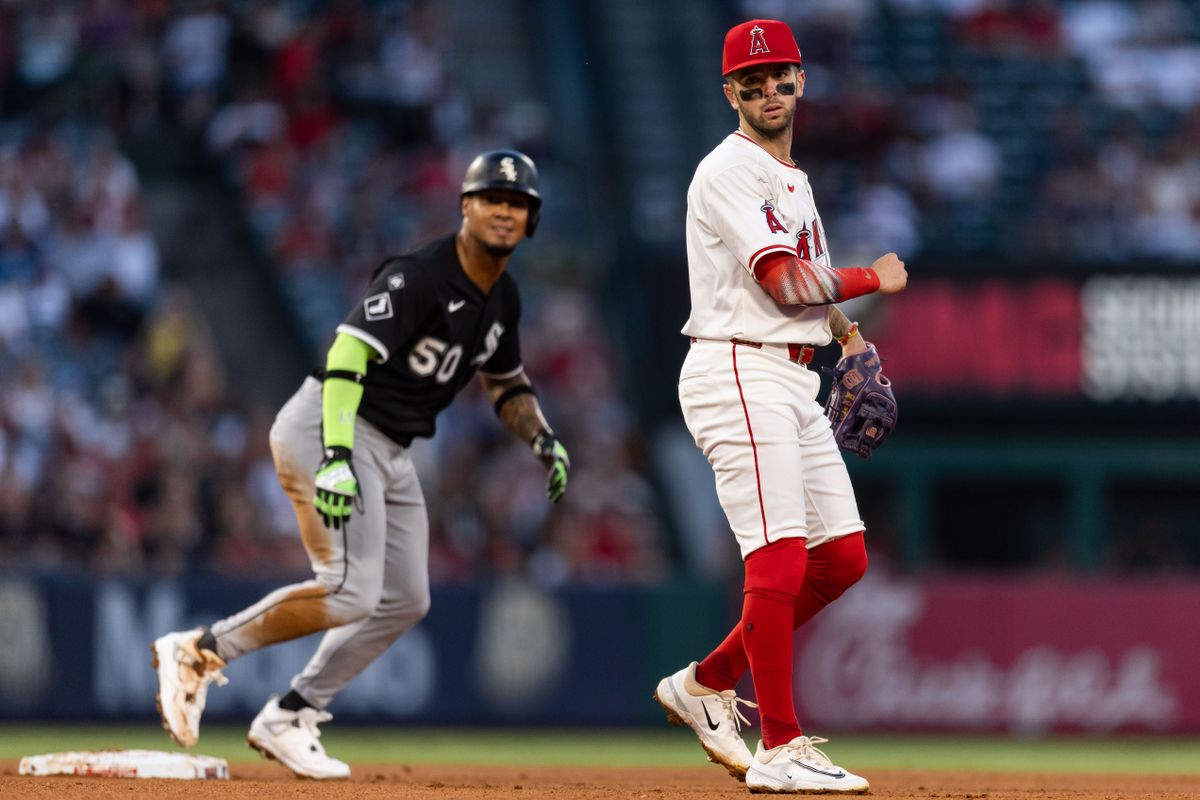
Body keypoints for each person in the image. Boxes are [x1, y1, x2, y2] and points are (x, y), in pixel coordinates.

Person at [151, 150, 571, 780]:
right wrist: (337, 455)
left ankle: (291, 714)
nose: (504, 212)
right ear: (465, 206)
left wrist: (540, 436)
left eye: (517, 204)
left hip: (392, 448)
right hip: (332, 423)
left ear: (531, 219)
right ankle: (200, 651)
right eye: (492, 199)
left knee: (405, 598)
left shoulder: (503, 299)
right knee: (349, 590)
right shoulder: (421, 273)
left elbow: (505, 385)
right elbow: (347, 354)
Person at [652, 19, 907, 795]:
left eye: (780, 77)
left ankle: (705, 683)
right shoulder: (727, 169)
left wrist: (852, 341)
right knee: (781, 554)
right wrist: (874, 277)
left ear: (800, 82)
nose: (768, 90)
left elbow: (812, 287)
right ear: (729, 92)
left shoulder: (790, 177)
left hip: (790, 375)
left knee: (844, 558)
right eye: (751, 82)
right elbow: (786, 282)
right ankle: (782, 746)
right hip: (736, 367)